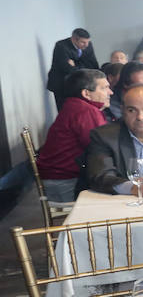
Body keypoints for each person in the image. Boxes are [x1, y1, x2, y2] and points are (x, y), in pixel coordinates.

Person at [37, 69, 112, 201]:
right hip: (64, 180)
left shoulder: (76, 105)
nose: (110, 92)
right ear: (86, 93)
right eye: (104, 88)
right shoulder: (86, 111)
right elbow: (100, 146)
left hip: (57, 175)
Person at [46, 27, 99, 106]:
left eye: (88, 42)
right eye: (83, 42)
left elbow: (93, 65)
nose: (86, 45)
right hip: (61, 84)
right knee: (64, 109)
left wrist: (76, 65)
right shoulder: (61, 46)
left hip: (79, 84)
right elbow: (66, 68)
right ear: (74, 39)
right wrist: (83, 67)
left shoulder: (88, 45)